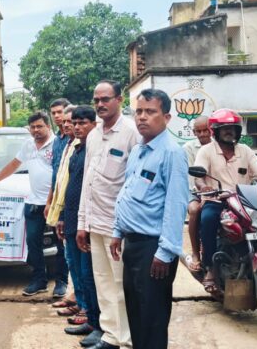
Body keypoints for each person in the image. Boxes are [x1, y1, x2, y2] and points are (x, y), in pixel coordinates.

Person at [110, 88, 188, 349]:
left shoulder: (171, 153)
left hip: (154, 249)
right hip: (133, 245)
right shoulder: (138, 151)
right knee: (136, 314)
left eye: (150, 112)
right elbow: (127, 193)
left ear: (166, 117)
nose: (142, 117)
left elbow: (176, 206)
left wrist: (165, 252)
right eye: (139, 111)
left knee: (152, 318)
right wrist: (118, 231)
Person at [194, 109, 257, 293]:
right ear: (216, 131)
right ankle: (210, 268)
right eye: (225, 128)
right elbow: (199, 175)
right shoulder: (206, 151)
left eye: (233, 129)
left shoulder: (245, 150)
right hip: (217, 198)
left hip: (244, 200)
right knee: (207, 220)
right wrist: (204, 187)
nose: (230, 132)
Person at [77, 81, 139, 349]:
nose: (100, 104)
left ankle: (125, 341)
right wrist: (82, 223)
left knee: (121, 284)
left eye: (106, 99)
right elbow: (87, 183)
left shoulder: (131, 133)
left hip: (118, 226)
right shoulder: (93, 134)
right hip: (95, 222)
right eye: (96, 100)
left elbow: (135, 183)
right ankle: (111, 336)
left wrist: (123, 227)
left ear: (119, 100)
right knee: (103, 283)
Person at [0, 111, 54, 296]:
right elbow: (14, 164)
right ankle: (39, 280)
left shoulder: (58, 143)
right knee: (32, 241)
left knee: (60, 246)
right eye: (33, 127)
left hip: (54, 203)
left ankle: (61, 282)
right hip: (34, 202)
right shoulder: (28, 144)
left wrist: (51, 200)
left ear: (48, 126)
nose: (36, 130)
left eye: (40, 126)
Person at [57, 106, 101, 338]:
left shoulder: (94, 150)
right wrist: (63, 216)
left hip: (89, 221)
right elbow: (68, 186)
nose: (76, 127)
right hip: (73, 218)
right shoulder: (77, 149)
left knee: (89, 274)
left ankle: (95, 320)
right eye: (74, 123)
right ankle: (88, 314)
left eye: (82, 123)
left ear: (94, 124)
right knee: (78, 269)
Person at [47, 106, 81, 316]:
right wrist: (51, 202)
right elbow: (58, 176)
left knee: (78, 262)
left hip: (75, 212)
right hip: (62, 207)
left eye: (73, 121)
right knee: (71, 259)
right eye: (68, 122)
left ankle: (83, 305)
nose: (69, 125)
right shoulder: (63, 142)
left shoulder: (80, 145)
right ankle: (74, 297)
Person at [46, 98, 71, 298]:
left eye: (59, 112)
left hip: (72, 200)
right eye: (53, 113)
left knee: (69, 245)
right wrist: (49, 201)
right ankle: (61, 282)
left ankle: (65, 283)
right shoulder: (57, 140)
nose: (57, 116)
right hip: (57, 198)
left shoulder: (77, 139)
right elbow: (55, 175)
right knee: (59, 241)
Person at [182, 116, 211, 272]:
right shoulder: (189, 148)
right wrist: (202, 191)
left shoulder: (219, 145)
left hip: (217, 190)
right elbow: (192, 177)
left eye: (205, 130)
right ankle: (195, 253)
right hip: (194, 190)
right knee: (195, 210)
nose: (202, 134)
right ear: (194, 132)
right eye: (198, 131)